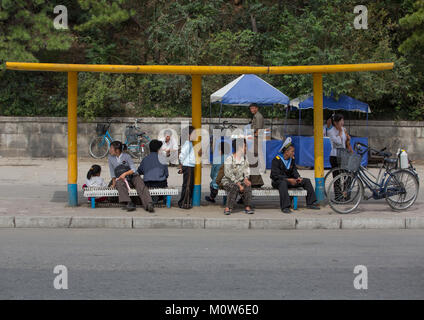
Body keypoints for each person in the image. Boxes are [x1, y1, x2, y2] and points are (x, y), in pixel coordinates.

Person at [271, 137, 320, 213]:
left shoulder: (292, 159)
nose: (293, 153)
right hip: (279, 181)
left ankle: (311, 203)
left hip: (290, 180)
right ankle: (285, 207)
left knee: (306, 181)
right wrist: (288, 179)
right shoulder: (276, 160)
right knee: (283, 184)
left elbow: (294, 171)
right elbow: (274, 175)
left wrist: (298, 177)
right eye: (292, 151)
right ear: (286, 152)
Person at [108, 140, 154, 212]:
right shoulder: (110, 158)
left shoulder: (127, 156)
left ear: (117, 150)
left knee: (139, 182)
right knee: (119, 183)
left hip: (132, 176)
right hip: (121, 179)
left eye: (111, 148)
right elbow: (112, 172)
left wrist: (125, 174)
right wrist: (113, 184)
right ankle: (129, 202)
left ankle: (148, 203)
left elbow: (133, 169)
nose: (109, 150)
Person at [221, 138, 254, 215]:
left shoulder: (245, 159)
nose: (246, 148)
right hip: (228, 181)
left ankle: (247, 206)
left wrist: (246, 178)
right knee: (234, 187)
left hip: (240, 181)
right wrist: (238, 184)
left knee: (247, 185)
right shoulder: (230, 159)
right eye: (245, 146)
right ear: (239, 147)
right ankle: (228, 207)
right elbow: (228, 174)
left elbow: (246, 170)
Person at [327, 114, 353, 197]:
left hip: (343, 155)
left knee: (348, 174)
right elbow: (338, 141)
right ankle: (338, 196)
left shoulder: (344, 129)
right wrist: (340, 133)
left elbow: (346, 141)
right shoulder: (331, 131)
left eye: (343, 120)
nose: (342, 122)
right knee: (337, 177)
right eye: (340, 121)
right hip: (335, 156)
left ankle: (346, 194)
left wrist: (349, 145)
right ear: (335, 122)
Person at [137, 139, 169, 205]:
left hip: (148, 184)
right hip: (161, 184)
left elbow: (139, 172)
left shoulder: (145, 159)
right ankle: (159, 198)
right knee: (164, 181)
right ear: (158, 149)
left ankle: (152, 198)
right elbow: (166, 174)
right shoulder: (163, 158)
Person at [178, 126, 197, 209]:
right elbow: (182, 155)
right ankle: (184, 203)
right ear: (189, 135)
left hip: (189, 166)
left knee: (188, 185)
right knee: (188, 185)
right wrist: (182, 164)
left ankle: (185, 202)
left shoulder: (189, 143)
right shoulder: (187, 144)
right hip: (188, 166)